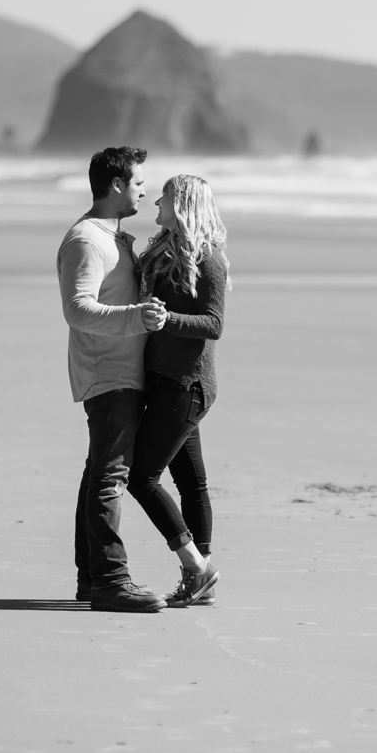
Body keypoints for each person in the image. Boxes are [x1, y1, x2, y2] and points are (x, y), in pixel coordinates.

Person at [59, 146, 170, 613]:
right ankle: (111, 580)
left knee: (98, 475)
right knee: (110, 478)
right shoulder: (88, 240)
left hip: (121, 372)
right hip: (108, 374)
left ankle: (91, 578)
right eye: (140, 182)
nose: (145, 189)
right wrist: (138, 318)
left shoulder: (116, 237)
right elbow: (77, 309)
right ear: (118, 184)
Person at [125, 174, 228, 607]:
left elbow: (214, 324)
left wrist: (169, 321)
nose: (156, 204)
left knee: (142, 478)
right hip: (165, 381)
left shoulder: (209, 261)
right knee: (191, 482)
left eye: (163, 197)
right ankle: (200, 578)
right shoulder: (164, 249)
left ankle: (195, 565)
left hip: (188, 386)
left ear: (181, 203)